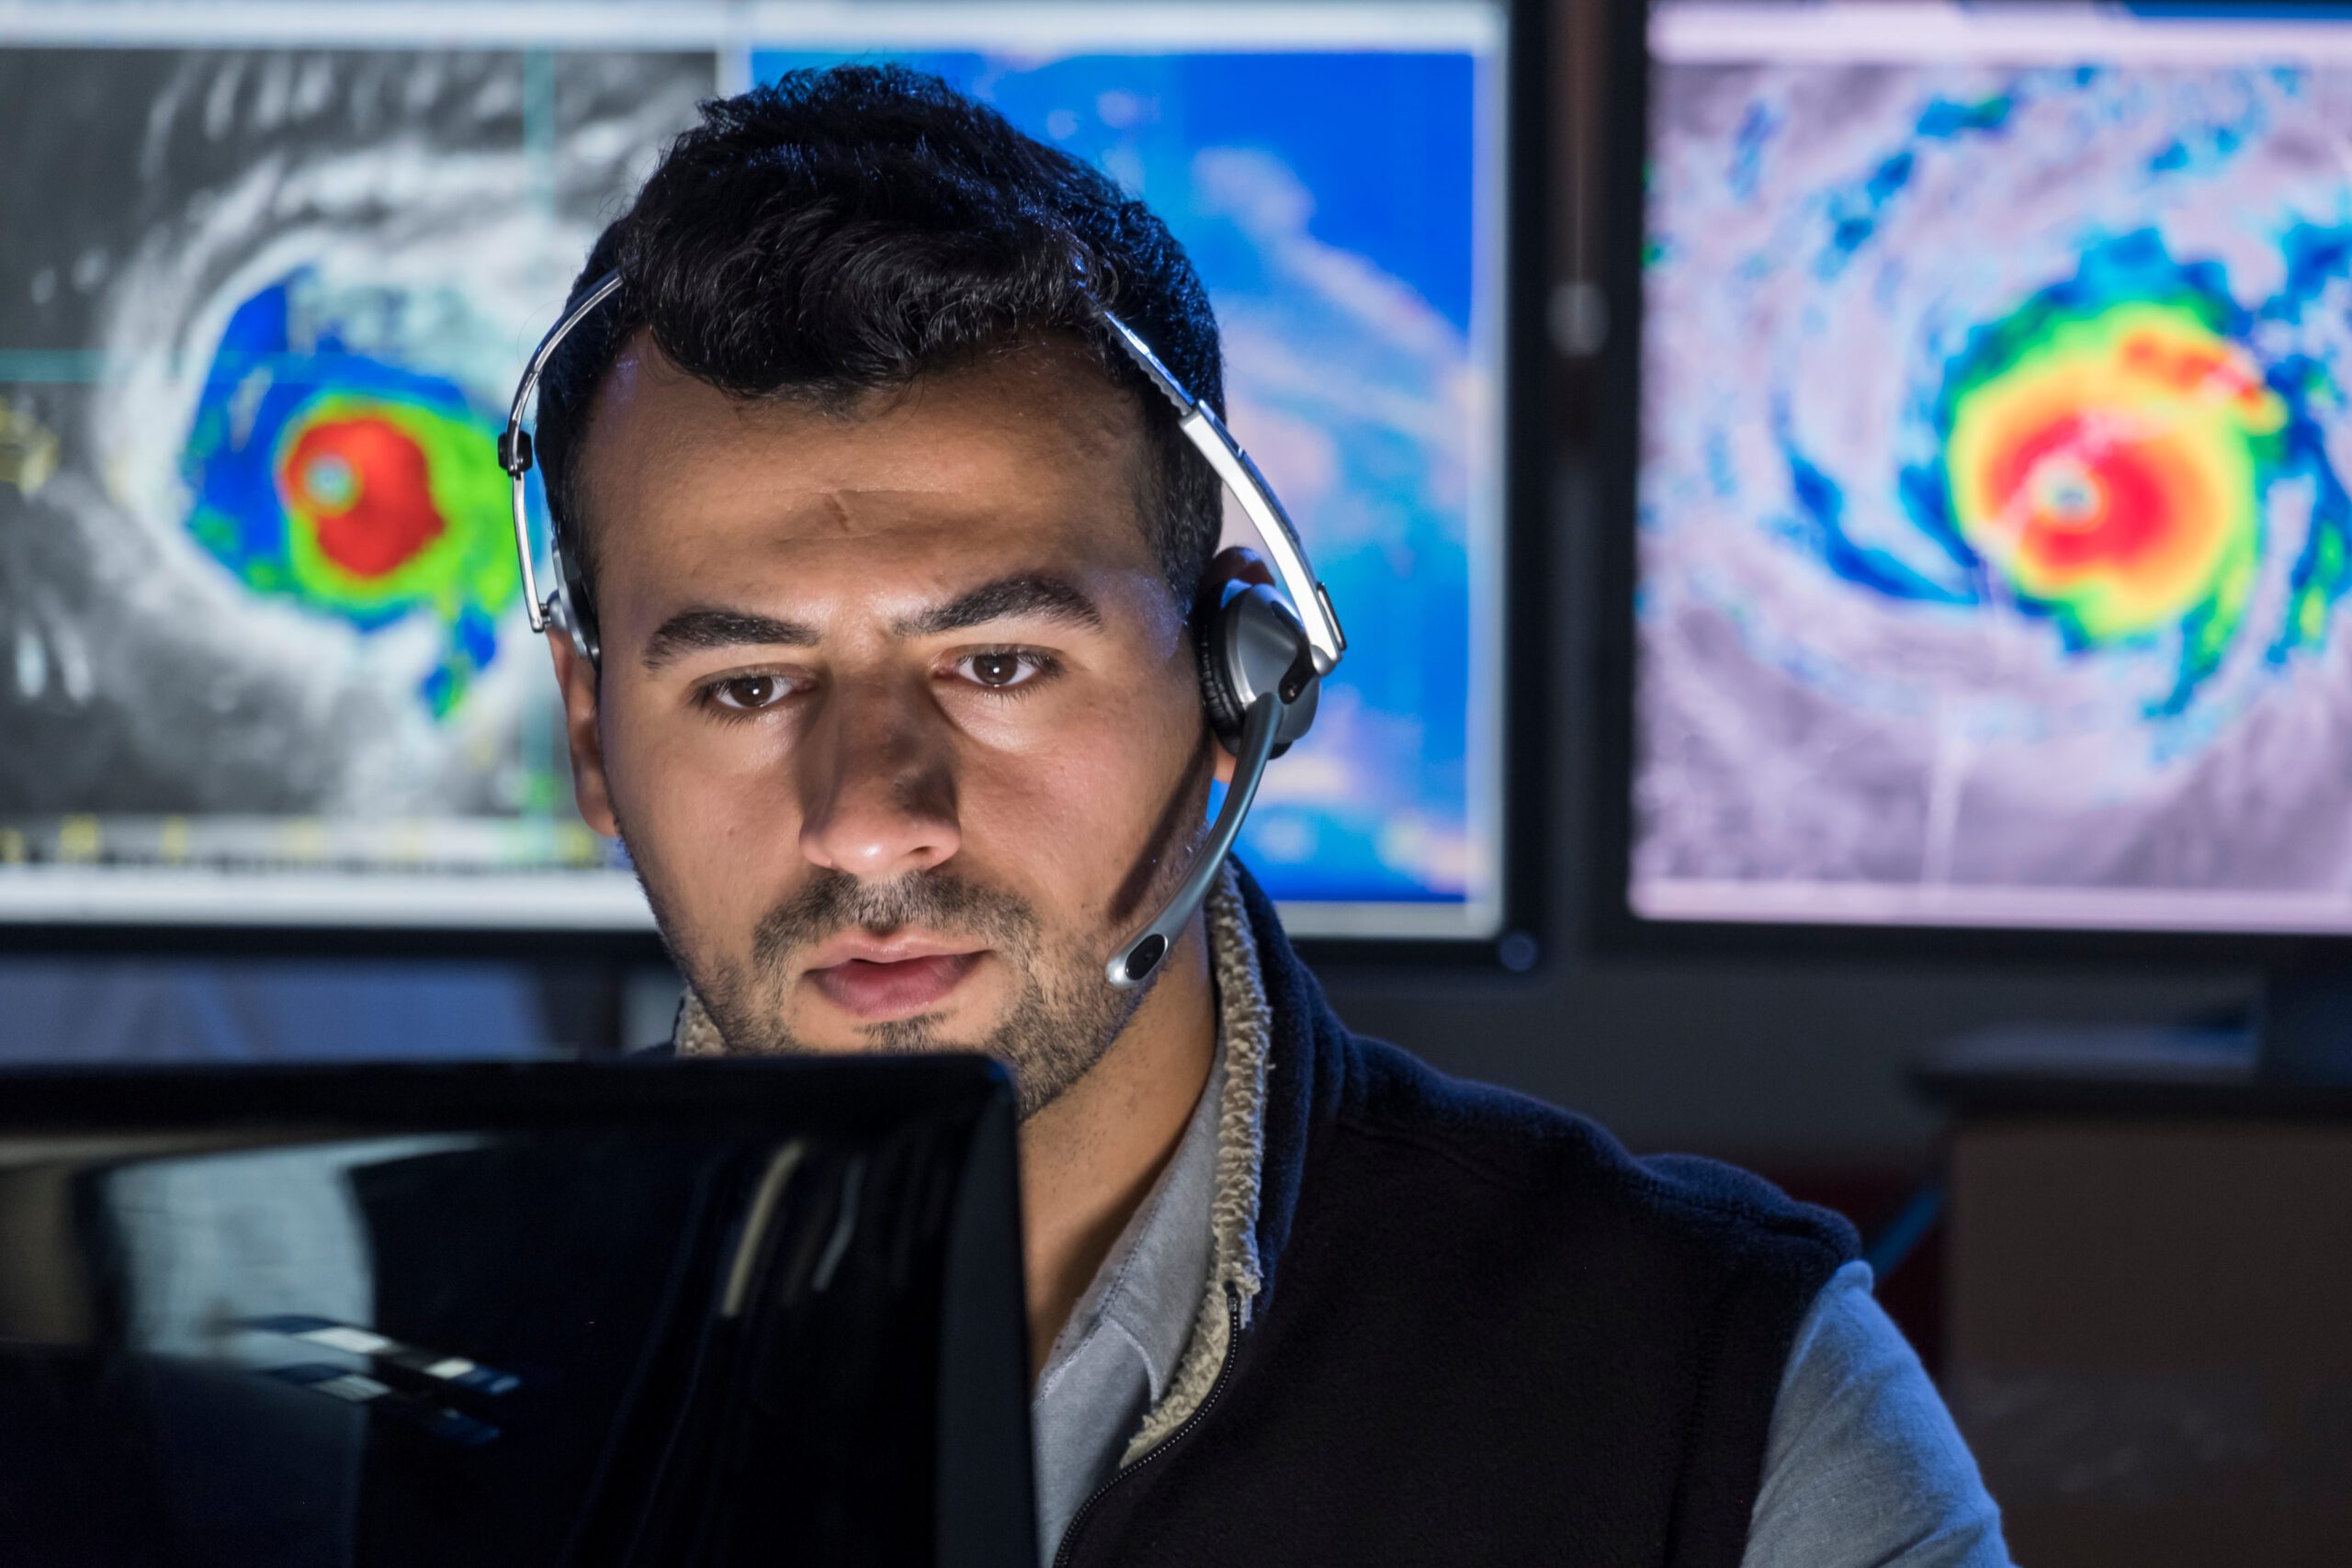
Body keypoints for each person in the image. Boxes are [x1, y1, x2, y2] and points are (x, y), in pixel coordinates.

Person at [524, 64, 2009, 1568]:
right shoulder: (366, 1377)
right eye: (746, 685)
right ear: (594, 735)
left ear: (1244, 683)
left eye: (999, 664)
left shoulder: (1724, 1395)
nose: (870, 823)